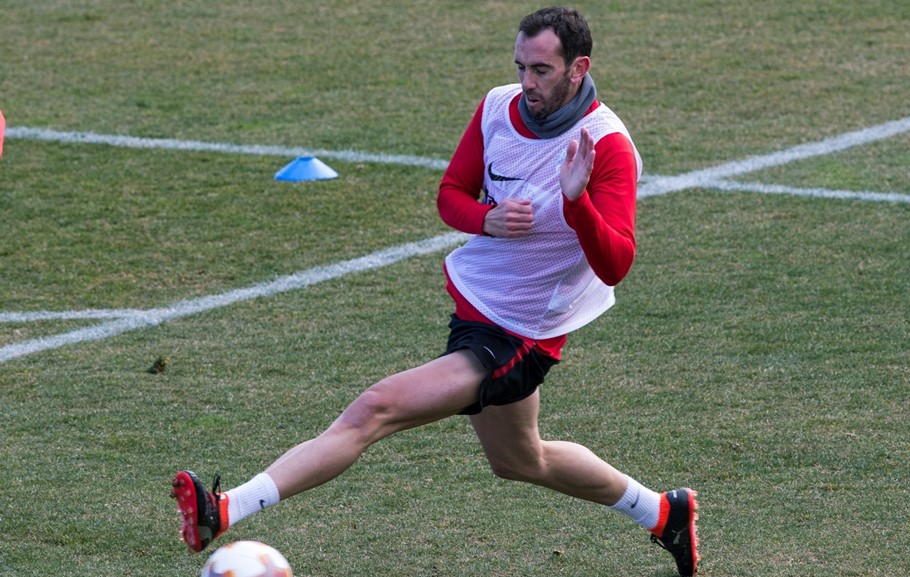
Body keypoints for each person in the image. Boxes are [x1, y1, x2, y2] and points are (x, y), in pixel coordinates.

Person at [172, 6, 699, 576]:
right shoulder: (498, 107)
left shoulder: (606, 145)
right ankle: (664, 512)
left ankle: (224, 510)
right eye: (520, 66)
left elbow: (617, 262)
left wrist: (576, 201)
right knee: (521, 459)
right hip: (477, 309)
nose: (527, 82)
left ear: (578, 68)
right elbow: (451, 193)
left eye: (541, 70)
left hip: (523, 332)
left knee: (376, 408)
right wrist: (485, 220)